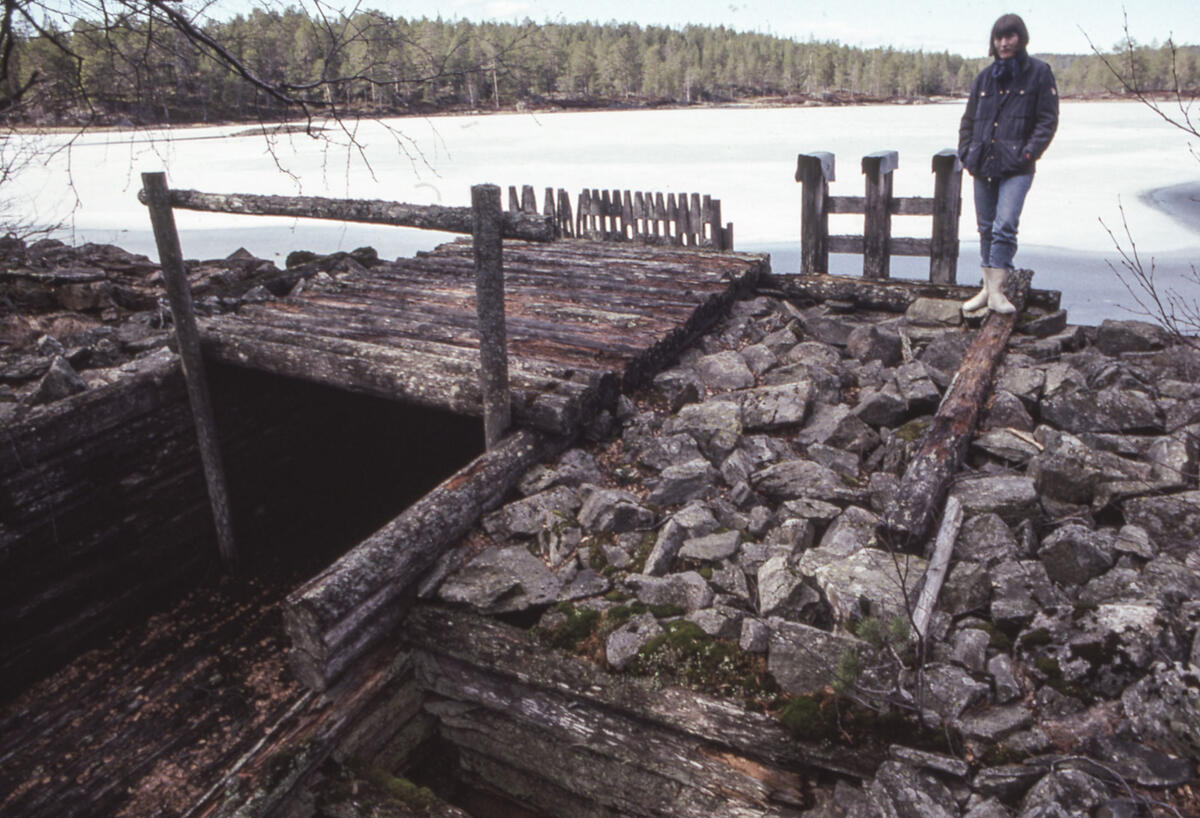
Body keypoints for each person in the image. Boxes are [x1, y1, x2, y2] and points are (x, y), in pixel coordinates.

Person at [957, 13, 1058, 313]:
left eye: (1009, 36)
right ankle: (987, 291)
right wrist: (966, 153)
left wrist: (1028, 153)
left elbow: (1047, 120)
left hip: (1017, 166)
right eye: (999, 37)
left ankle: (998, 292)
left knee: (1005, 225)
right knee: (986, 228)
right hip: (983, 163)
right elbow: (968, 120)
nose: (1004, 43)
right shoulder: (984, 78)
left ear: (1021, 38)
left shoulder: (1039, 73)